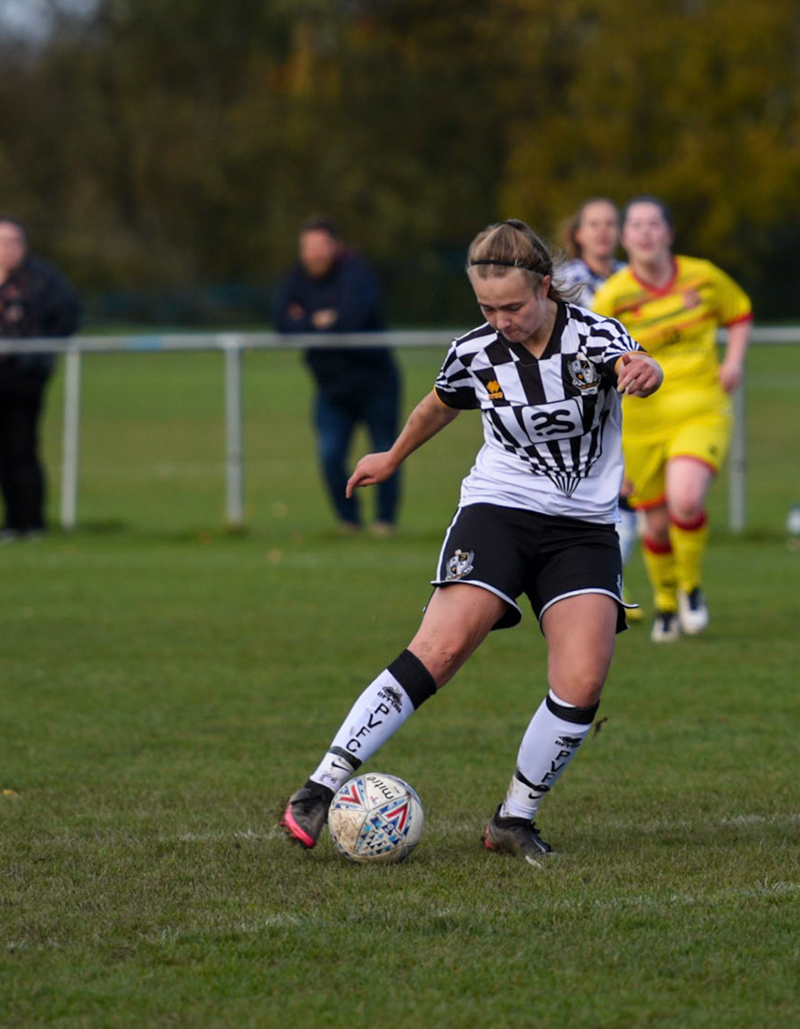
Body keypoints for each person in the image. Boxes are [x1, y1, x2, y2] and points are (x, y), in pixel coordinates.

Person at [278, 219, 662, 861]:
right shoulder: (474, 351)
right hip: (499, 509)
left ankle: (513, 820)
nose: (502, 320)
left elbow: (631, 360)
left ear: (545, 286)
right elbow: (439, 402)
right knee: (442, 647)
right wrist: (393, 455)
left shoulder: (593, 334)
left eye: (513, 306)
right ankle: (318, 788)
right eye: (488, 308)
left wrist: (644, 369)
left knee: (583, 680)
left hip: (583, 527)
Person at [589, 197, 752, 642]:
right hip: (641, 423)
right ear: (625, 239)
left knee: (686, 498)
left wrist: (733, 360)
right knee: (655, 523)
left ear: (668, 233)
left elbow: (739, 312)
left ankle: (691, 588)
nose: (644, 233)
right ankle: (665, 601)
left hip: (701, 406)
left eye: (653, 224)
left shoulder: (703, 275)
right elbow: (593, 351)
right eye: (635, 226)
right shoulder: (614, 294)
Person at [0, 218, 81, 540]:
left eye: (13, 241)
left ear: (23, 244)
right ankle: (10, 521)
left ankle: (31, 521)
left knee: (21, 448)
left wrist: (38, 354)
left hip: (20, 379)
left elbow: (67, 314)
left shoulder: (41, 280)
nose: (6, 248)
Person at [273, 217, 402, 535]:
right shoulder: (297, 277)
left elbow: (354, 317)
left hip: (376, 384)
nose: (314, 254)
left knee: (388, 452)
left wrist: (310, 319)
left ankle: (384, 522)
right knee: (329, 456)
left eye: (320, 246)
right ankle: (349, 522)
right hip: (331, 389)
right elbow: (279, 320)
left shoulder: (356, 272)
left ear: (335, 245)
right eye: (307, 247)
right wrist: (321, 320)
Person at [554, 196, 641, 616]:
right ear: (578, 233)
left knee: (637, 493)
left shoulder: (635, 277)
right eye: (594, 224)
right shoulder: (563, 280)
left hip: (634, 395)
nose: (603, 231)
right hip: (584, 401)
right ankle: (595, 589)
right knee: (598, 492)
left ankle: (614, 589)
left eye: (610, 223)